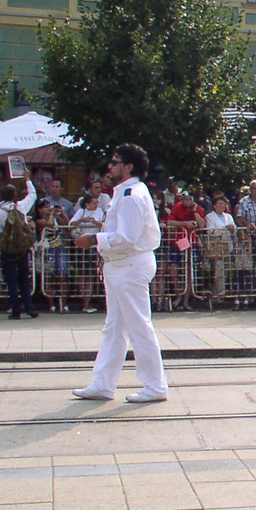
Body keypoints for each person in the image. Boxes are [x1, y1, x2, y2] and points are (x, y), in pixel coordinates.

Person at [72, 143, 169, 403]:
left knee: (138, 326)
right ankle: (103, 383)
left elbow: (127, 237)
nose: (110, 166)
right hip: (120, 265)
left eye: (115, 162)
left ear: (128, 167)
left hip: (129, 264)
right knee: (115, 328)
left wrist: (94, 239)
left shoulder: (131, 195)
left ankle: (155, 386)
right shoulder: (125, 192)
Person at [0, 179, 39, 320]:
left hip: (7, 250)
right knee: (24, 279)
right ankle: (29, 307)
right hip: (22, 248)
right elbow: (33, 195)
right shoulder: (21, 207)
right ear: (15, 195)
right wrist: (28, 179)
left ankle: (15, 310)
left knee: (11, 280)